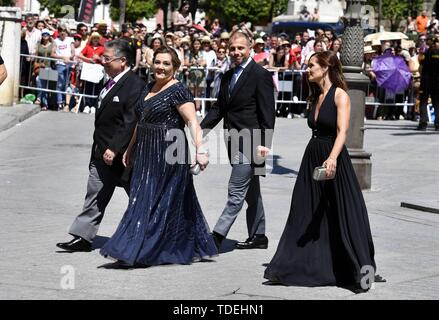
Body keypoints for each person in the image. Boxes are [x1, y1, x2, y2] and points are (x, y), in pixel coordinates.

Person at [264, 51, 380, 293]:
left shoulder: (340, 95)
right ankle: (292, 263)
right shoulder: (316, 95)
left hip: (332, 156)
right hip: (312, 157)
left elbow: (342, 132)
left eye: (311, 66)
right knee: (304, 208)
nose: (308, 70)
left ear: (326, 67)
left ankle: (356, 265)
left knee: (343, 210)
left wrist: (332, 158)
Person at [100, 46, 217, 266]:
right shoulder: (147, 88)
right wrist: (130, 148)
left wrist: (200, 149)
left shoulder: (179, 90)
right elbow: (140, 120)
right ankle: (152, 246)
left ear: (175, 68)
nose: (161, 67)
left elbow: (192, 122)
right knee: (143, 197)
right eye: (158, 62)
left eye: (166, 64)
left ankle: (138, 250)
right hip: (145, 150)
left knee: (155, 200)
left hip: (169, 152)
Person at [56, 40, 145, 252]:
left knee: (138, 198)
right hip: (101, 153)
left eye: (107, 58)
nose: (102, 61)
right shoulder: (111, 81)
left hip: (123, 155)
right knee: (94, 194)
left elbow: (130, 121)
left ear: (123, 61)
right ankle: (83, 237)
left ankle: (147, 237)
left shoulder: (135, 85)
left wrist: (115, 148)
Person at [200, 32, 276, 250]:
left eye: (240, 48)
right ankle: (259, 235)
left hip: (253, 143)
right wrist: (199, 131)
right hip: (233, 141)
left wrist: (265, 144)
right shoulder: (227, 76)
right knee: (251, 191)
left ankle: (216, 237)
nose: (236, 52)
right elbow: (219, 109)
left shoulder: (260, 75)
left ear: (250, 47)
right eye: (232, 48)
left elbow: (267, 113)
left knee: (236, 190)